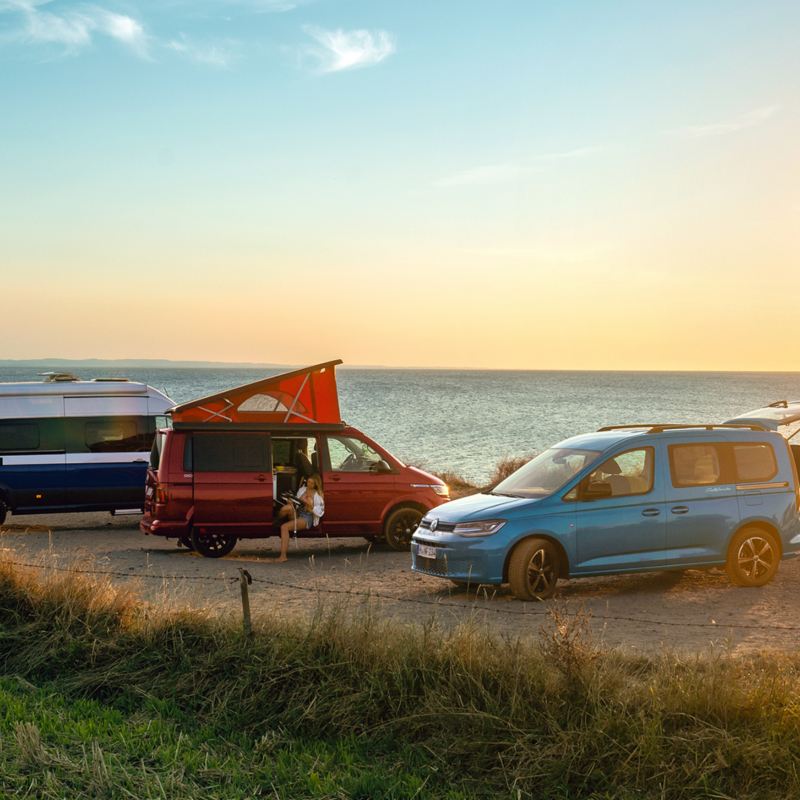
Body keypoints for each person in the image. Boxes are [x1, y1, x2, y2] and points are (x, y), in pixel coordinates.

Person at [275, 474, 324, 563]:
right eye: (308, 482)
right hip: (298, 513)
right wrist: (291, 501)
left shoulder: (317, 496)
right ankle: (276, 522)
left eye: (311, 483)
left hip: (306, 517)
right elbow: (297, 502)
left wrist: (311, 507)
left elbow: (320, 512)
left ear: (315, 485)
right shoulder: (302, 489)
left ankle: (283, 556)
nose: (309, 484)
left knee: (284, 527)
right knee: (287, 508)